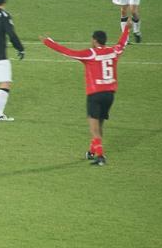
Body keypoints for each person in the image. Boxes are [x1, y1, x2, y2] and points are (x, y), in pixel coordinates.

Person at [41, 24, 131, 166]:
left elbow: (68, 52)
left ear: (95, 40)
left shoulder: (92, 53)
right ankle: (92, 151)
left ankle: (100, 157)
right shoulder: (113, 51)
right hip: (109, 94)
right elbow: (122, 44)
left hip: (95, 94)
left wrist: (48, 42)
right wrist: (127, 29)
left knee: (93, 128)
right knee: (100, 123)